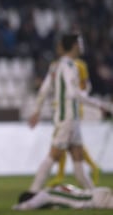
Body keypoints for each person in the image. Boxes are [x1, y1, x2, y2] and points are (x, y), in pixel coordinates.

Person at [27, 33, 113, 194]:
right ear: (74, 45)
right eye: (80, 43)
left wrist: (36, 111)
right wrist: (101, 105)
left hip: (71, 119)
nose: (82, 46)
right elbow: (74, 93)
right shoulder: (70, 66)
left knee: (78, 161)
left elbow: (44, 90)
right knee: (53, 156)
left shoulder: (55, 66)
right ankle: (32, 193)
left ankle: (93, 194)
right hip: (67, 118)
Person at [46, 58, 100, 187]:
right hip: (59, 109)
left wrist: (79, 94)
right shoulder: (55, 65)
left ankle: (60, 175)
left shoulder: (80, 65)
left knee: (60, 142)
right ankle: (92, 168)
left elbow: (86, 86)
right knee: (69, 143)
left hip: (72, 110)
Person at [13, 184, 113, 210]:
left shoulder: (44, 194)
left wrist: (16, 207)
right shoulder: (55, 188)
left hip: (95, 201)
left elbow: (28, 206)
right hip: (97, 192)